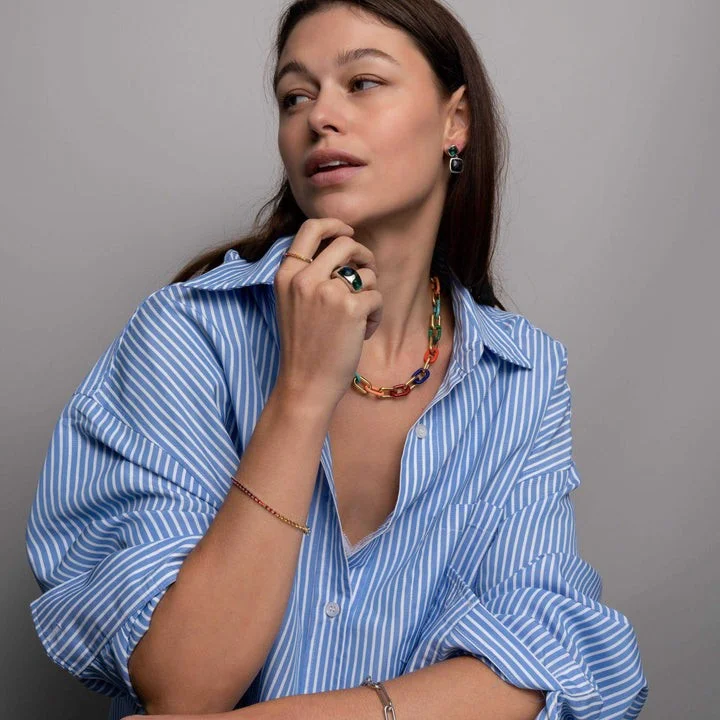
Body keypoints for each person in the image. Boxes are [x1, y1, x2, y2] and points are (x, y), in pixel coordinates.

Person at [25, 1, 649, 719]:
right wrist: (301, 392)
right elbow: (184, 685)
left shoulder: (524, 375)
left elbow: (549, 662)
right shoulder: (188, 334)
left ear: (455, 122)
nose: (320, 117)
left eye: (363, 82)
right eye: (295, 96)